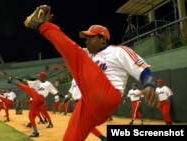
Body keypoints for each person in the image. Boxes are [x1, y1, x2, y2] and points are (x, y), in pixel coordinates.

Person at [23, 5, 158, 141]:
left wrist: (149, 83)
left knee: (76, 55)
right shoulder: (88, 55)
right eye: (86, 38)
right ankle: (44, 26)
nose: (86, 41)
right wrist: (51, 27)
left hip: (107, 95)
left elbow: (142, 67)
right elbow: (66, 45)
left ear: (103, 39)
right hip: (88, 104)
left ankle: (40, 26)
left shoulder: (118, 51)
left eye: (90, 37)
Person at [8, 71, 62, 137]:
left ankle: (12, 82)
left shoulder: (48, 84)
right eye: (38, 76)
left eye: (40, 76)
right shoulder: (37, 82)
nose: (38, 77)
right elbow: (26, 81)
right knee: (31, 116)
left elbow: (56, 92)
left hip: (40, 98)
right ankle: (35, 131)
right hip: (37, 99)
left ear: (44, 76)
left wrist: (63, 96)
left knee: (27, 89)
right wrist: (15, 77)